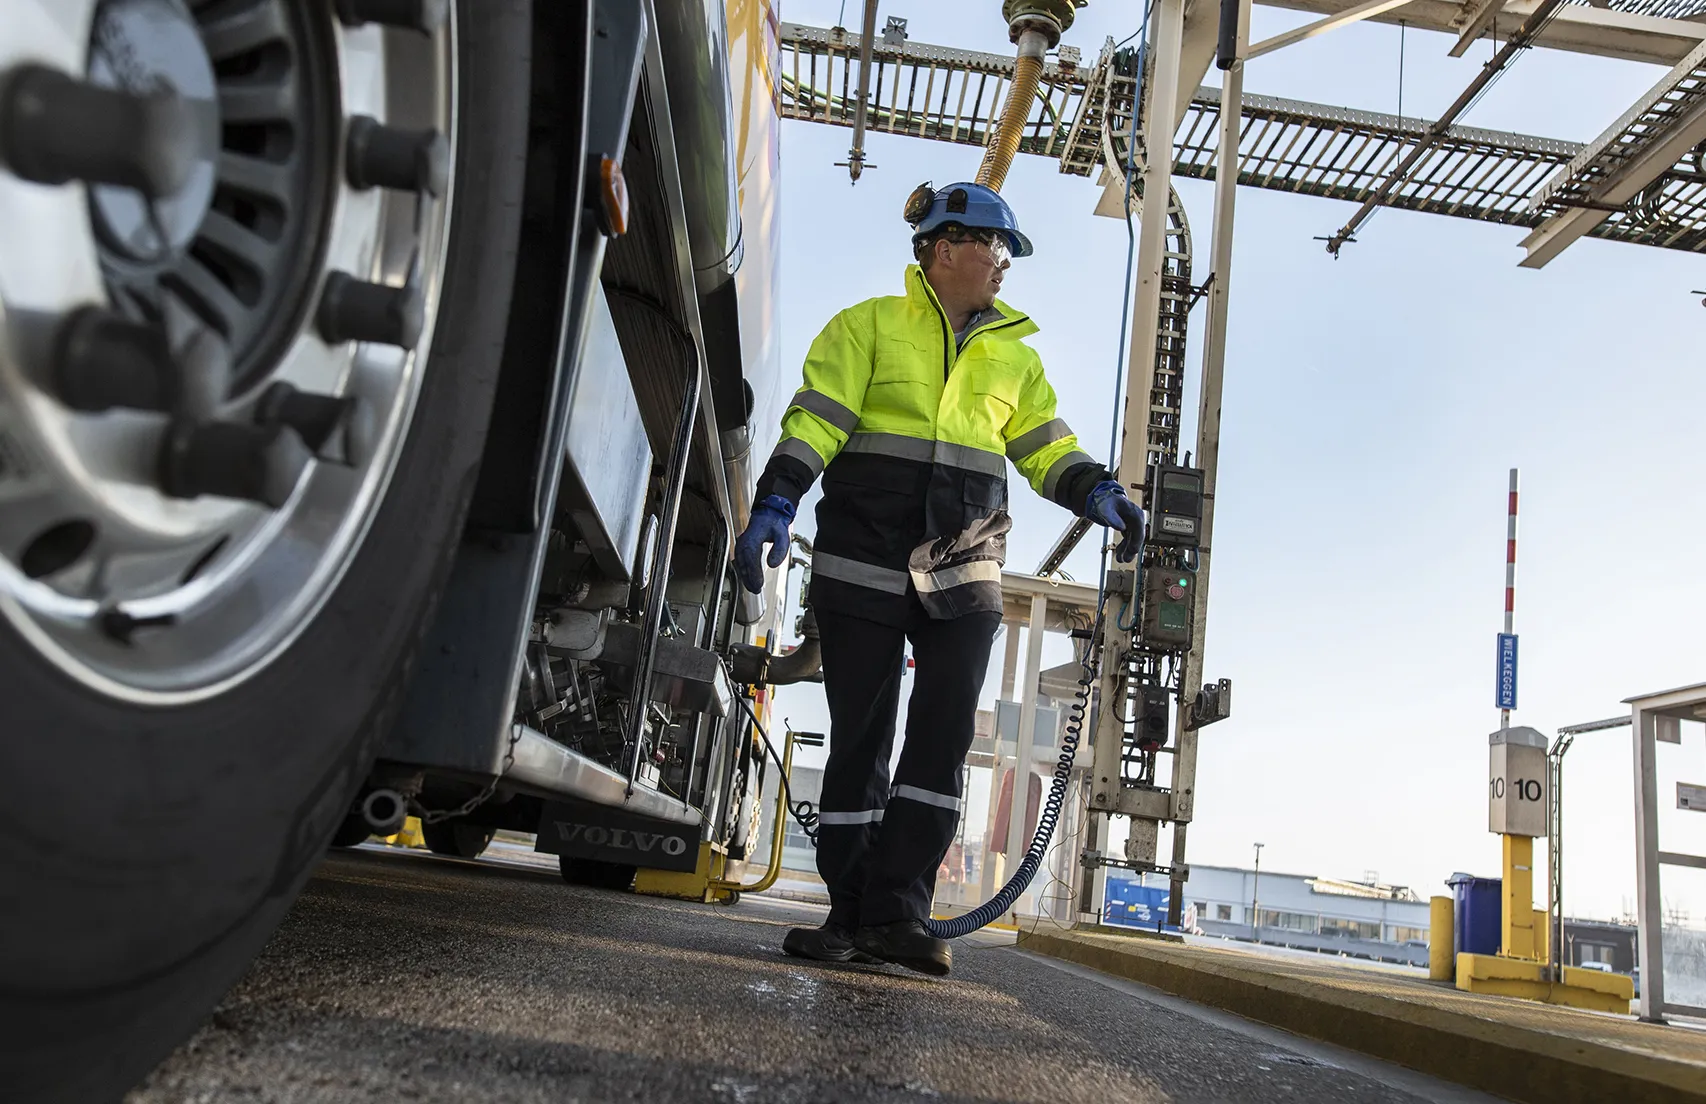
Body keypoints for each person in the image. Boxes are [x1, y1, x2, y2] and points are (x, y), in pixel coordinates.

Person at [735, 182, 1144, 976]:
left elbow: (1044, 450)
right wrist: (777, 501)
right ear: (945, 247)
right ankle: (849, 914)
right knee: (861, 741)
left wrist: (1093, 488)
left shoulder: (1016, 359)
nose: (1003, 267)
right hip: (861, 566)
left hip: (965, 571)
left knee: (943, 743)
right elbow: (814, 422)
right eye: (996, 249)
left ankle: (899, 914)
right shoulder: (868, 329)